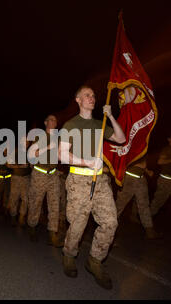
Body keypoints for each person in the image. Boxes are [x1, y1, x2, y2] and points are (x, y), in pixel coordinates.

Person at [59, 85, 125, 290]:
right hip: (79, 181)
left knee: (110, 222)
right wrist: (86, 162)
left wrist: (111, 116)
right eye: (87, 95)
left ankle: (95, 260)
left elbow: (121, 139)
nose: (92, 98)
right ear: (78, 100)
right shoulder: (71, 124)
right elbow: (61, 154)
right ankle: (69, 255)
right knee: (78, 224)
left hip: (101, 182)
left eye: (94, 95)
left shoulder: (100, 123)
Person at [27, 115, 63, 247]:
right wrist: (47, 147)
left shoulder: (58, 138)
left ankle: (52, 233)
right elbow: (31, 154)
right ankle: (32, 226)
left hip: (53, 175)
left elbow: (61, 155)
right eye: (51, 119)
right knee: (36, 202)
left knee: (54, 204)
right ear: (45, 122)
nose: (54, 122)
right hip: (39, 173)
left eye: (55, 120)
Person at [115, 157, 162, 239]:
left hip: (141, 178)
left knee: (144, 205)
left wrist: (147, 171)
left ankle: (149, 230)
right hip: (129, 179)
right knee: (120, 205)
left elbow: (143, 164)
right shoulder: (130, 145)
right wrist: (139, 165)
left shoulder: (143, 146)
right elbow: (123, 159)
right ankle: (109, 229)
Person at [6, 137, 31, 227]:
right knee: (14, 198)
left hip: (27, 178)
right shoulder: (15, 151)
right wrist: (20, 166)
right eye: (25, 141)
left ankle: (21, 217)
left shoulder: (30, 153)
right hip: (16, 177)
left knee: (26, 199)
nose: (27, 143)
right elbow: (8, 165)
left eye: (28, 141)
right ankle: (13, 216)